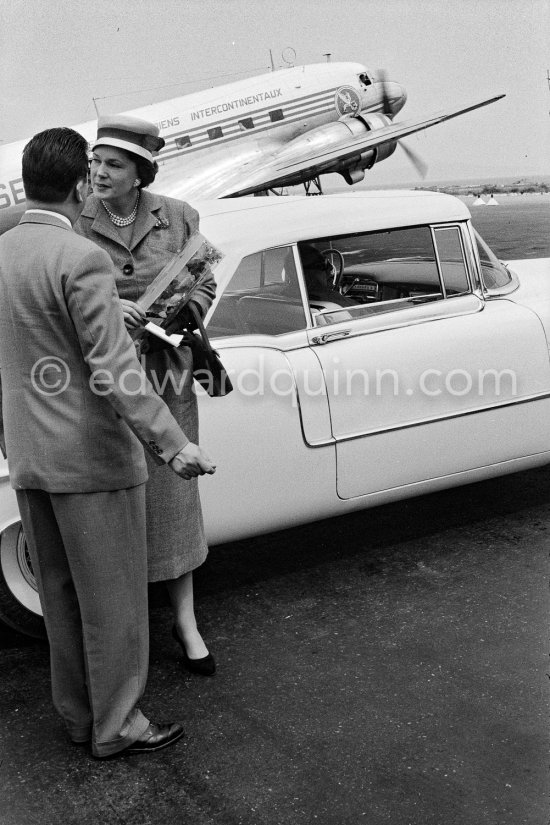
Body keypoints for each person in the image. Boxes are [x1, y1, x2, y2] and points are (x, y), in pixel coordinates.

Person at [0, 127, 216, 758]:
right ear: (75, 185)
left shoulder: (4, 250)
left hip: (31, 460)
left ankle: (78, 717)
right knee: (115, 604)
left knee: (61, 601)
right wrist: (175, 446)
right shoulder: (79, 259)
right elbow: (115, 367)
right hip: (93, 459)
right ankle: (118, 724)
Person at [75, 115, 217, 676]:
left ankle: (186, 622)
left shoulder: (179, 215)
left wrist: (182, 314)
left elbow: (204, 280)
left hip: (165, 373)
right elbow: (66, 287)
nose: (99, 173)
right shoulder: (75, 220)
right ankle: (122, 626)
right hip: (102, 381)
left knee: (173, 501)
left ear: (140, 173)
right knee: (114, 501)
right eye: (95, 163)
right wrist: (112, 306)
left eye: (113, 165)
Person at [298, 243, 356, 307]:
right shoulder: (340, 303)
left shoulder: (291, 299)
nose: (331, 268)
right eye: (323, 265)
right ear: (306, 274)